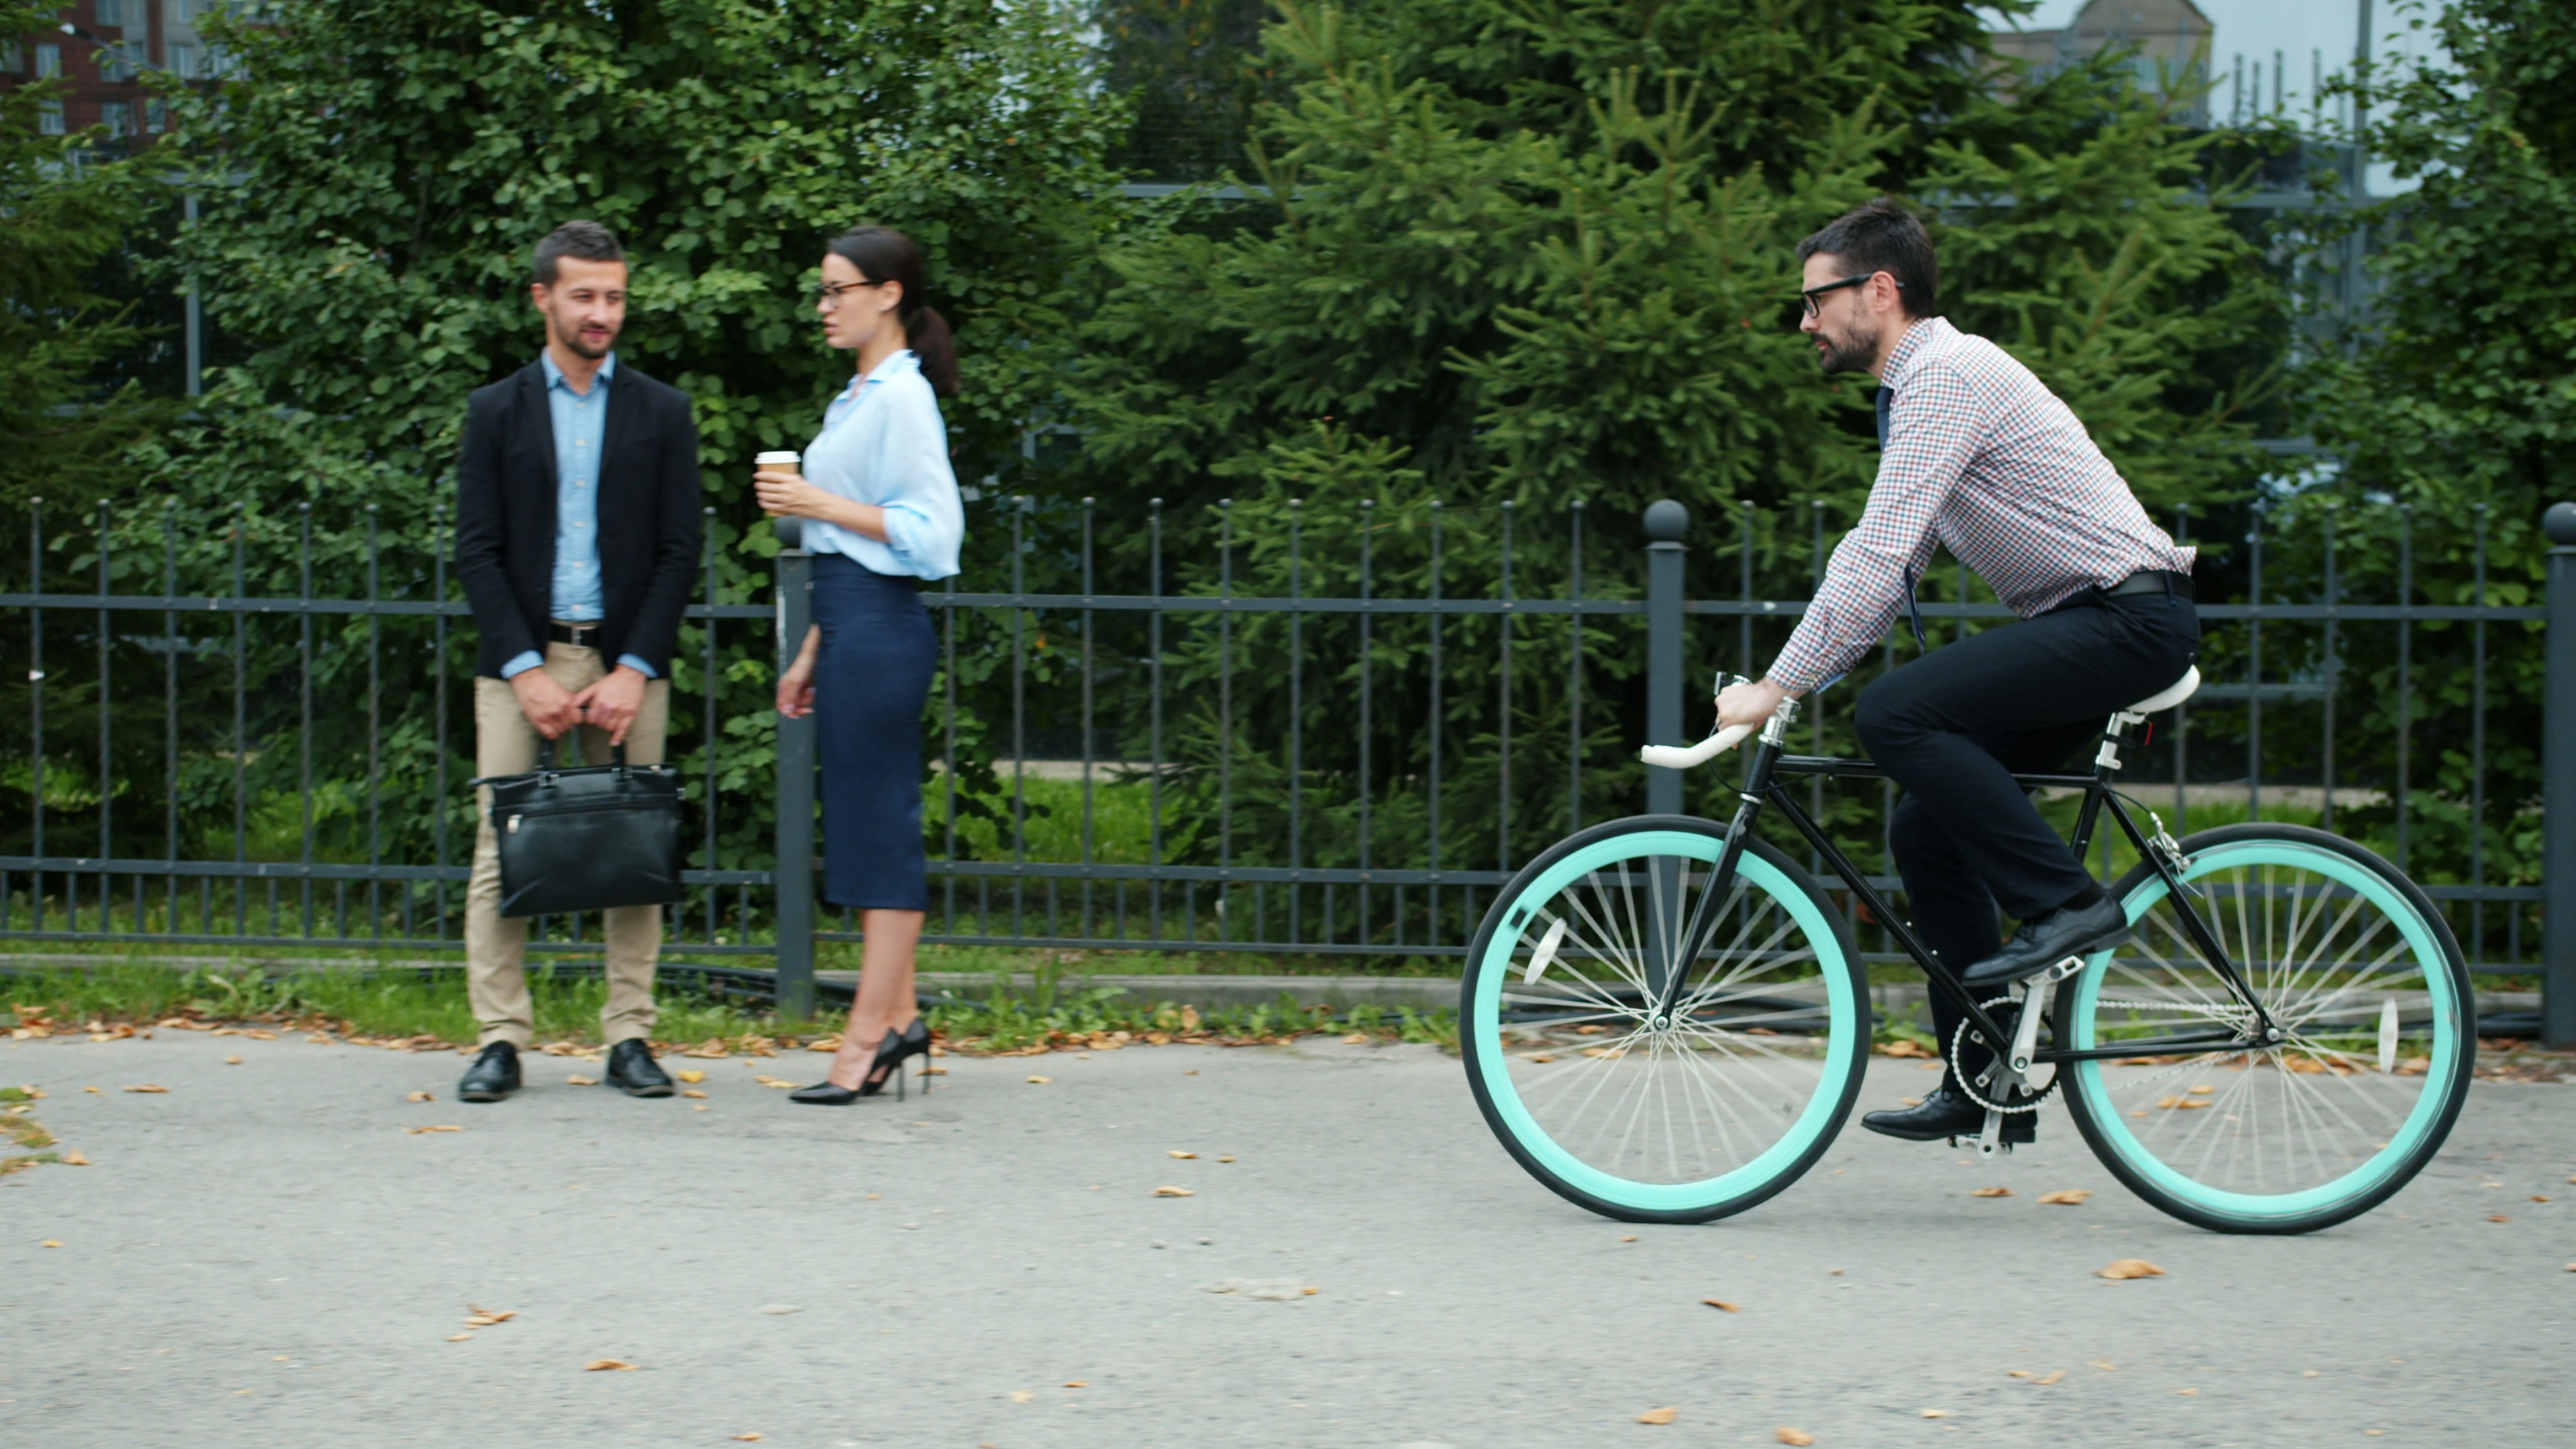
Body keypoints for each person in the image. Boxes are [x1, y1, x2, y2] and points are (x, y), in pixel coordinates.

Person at [1713, 199, 2199, 1146]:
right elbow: (1893, 568)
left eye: (1815, 300)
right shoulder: (1923, 394)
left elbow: (1877, 549)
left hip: (2127, 617)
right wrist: (1804, 669)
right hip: (2097, 622)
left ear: (1880, 291)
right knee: (1927, 832)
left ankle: (2067, 905)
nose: (1803, 322)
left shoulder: (1944, 374)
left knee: (1895, 714)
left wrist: (1779, 684)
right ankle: (1987, 1083)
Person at [451, 220, 704, 1103]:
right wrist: (524, 668)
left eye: (615, 297)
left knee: (636, 844)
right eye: (585, 296)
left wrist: (635, 666)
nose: (603, 313)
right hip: (521, 661)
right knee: (499, 847)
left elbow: (681, 551)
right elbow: (476, 551)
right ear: (543, 299)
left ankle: (629, 1037)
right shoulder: (494, 413)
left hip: (627, 662)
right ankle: (500, 1039)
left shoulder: (663, 412)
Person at [754, 225, 965, 1104]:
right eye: (822, 290)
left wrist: (811, 499)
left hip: (883, 637)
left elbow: (933, 537)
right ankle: (904, 1022)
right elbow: (847, 547)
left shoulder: (902, 399)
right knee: (864, 833)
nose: (825, 305)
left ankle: (864, 1042)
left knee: (882, 841)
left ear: (888, 294)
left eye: (839, 289)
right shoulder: (860, 396)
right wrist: (810, 648)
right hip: (849, 630)